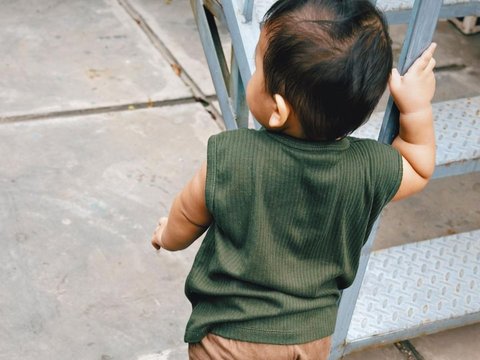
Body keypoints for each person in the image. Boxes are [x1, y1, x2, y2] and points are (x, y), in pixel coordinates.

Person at [151, 0, 436, 358]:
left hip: (230, 338)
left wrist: (167, 235)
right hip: (311, 339)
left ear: (278, 110)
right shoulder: (369, 169)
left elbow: (187, 216)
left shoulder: (231, 156)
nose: (253, 74)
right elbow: (420, 166)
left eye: (257, 69)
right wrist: (416, 107)